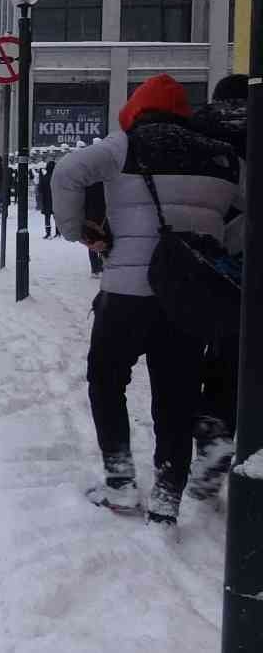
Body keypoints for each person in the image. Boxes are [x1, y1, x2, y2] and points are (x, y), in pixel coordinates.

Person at [52, 74, 243, 527]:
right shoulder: (220, 154)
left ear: (137, 109)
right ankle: (166, 496)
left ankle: (119, 481)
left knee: (106, 379)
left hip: (126, 291)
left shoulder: (125, 145)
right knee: (175, 394)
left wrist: (79, 231)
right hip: (188, 296)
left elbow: (67, 171)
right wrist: (220, 245)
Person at [186, 74, 249, 501]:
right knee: (238, 353)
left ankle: (210, 426)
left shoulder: (197, 130)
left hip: (208, 249)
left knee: (201, 348)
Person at [37, 161, 56, 238]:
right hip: (55, 200)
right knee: (56, 217)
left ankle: (48, 232)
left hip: (46, 200)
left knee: (47, 217)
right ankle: (58, 232)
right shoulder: (56, 177)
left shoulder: (45, 177)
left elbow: (40, 189)